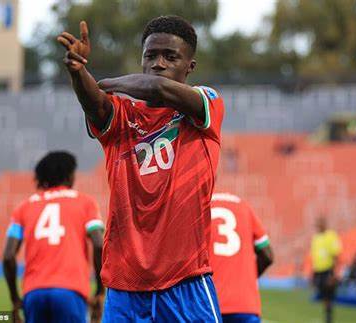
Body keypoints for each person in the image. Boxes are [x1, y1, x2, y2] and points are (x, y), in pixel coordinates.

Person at [58, 15, 225, 322]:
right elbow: (95, 105)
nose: (158, 63)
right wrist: (80, 72)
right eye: (150, 56)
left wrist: (105, 82)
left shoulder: (206, 105)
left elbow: (159, 89)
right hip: (124, 284)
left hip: (185, 281)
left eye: (170, 56)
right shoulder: (121, 116)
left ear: (190, 66)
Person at [2, 151, 105, 323]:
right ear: (68, 175)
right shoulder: (85, 203)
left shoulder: (24, 207)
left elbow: (8, 255)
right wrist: (100, 291)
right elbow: (99, 244)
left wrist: (14, 298)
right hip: (70, 291)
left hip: (34, 293)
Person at [209, 192, 273, 323]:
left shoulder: (202, 207)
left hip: (210, 304)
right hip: (245, 304)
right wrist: (247, 278)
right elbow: (268, 255)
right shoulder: (243, 206)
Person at [310, 216, 342, 323]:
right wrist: (313, 273)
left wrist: (334, 274)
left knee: (328, 296)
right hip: (318, 271)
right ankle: (327, 317)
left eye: (320, 223)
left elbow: (336, 255)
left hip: (328, 270)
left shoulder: (331, 236)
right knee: (323, 296)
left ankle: (329, 319)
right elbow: (314, 256)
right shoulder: (316, 238)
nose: (318, 226)